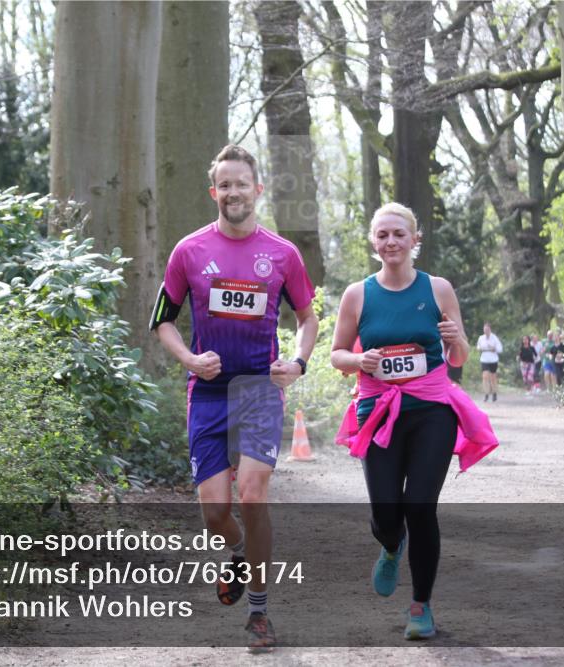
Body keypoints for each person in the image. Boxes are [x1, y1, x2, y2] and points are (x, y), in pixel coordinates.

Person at [151, 144, 319, 652]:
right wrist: (189, 359)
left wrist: (297, 362)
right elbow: (163, 321)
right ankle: (241, 552)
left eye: (241, 184)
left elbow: (307, 318)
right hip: (208, 391)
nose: (233, 192)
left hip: (260, 388)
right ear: (214, 192)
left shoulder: (283, 254)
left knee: (252, 493)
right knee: (215, 515)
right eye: (224, 185)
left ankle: (259, 614)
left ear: (257, 189)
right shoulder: (188, 251)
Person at [330, 203, 498, 641]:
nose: (391, 242)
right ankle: (391, 545)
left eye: (399, 234)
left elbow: (459, 357)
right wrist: (358, 360)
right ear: (373, 241)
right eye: (383, 234)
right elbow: (337, 355)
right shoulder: (358, 294)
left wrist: (457, 340)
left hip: (431, 410)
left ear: (415, 239)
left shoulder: (438, 289)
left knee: (420, 506)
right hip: (378, 411)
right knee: (386, 514)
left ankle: (421, 605)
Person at [476, 322, 503, 402]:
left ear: (490, 329)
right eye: (485, 330)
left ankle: (494, 393)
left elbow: (500, 349)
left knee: (493, 377)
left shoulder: (494, 338)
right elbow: (478, 347)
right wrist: (480, 348)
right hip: (484, 359)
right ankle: (486, 394)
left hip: (493, 360)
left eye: (487, 330)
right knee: (485, 376)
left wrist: (494, 348)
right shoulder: (481, 338)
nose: (486, 331)